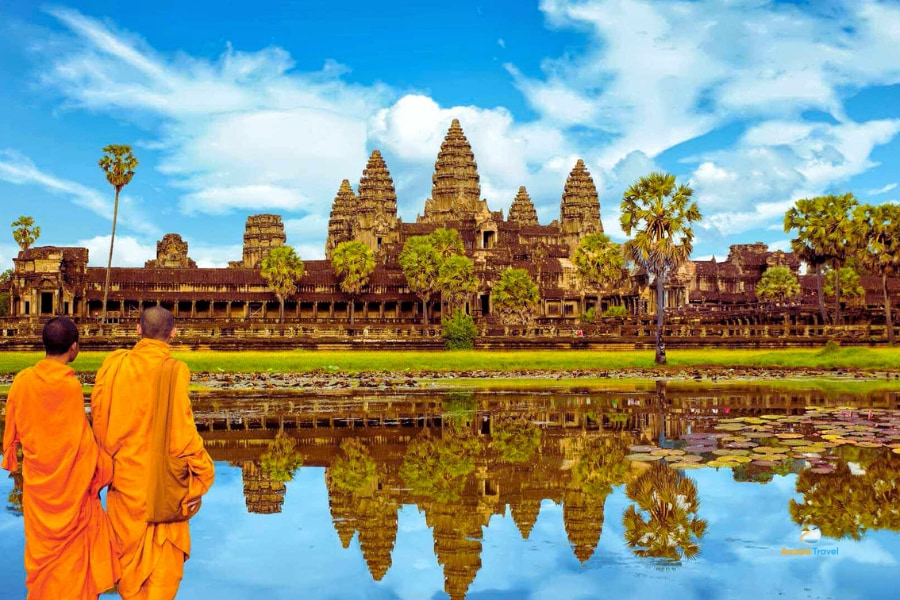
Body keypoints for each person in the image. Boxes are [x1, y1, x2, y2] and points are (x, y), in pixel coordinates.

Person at [91, 306, 215, 600]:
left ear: (137, 330)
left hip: (124, 487)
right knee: (162, 579)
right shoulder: (173, 371)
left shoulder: (114, 366)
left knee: (130, 575)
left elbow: (98, 418)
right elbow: (182, 436)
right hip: (164, 490)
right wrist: (204, 476)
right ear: (173, 333)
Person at [2, 316, 121, 599]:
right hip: (71, 492)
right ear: (74, 348)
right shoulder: (69, 387)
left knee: (43, 562)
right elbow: (81, 443)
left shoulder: (22, 381)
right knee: (76, 566)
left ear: (43, 345)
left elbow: (13, 432)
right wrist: (104, 467)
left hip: (39, 487)